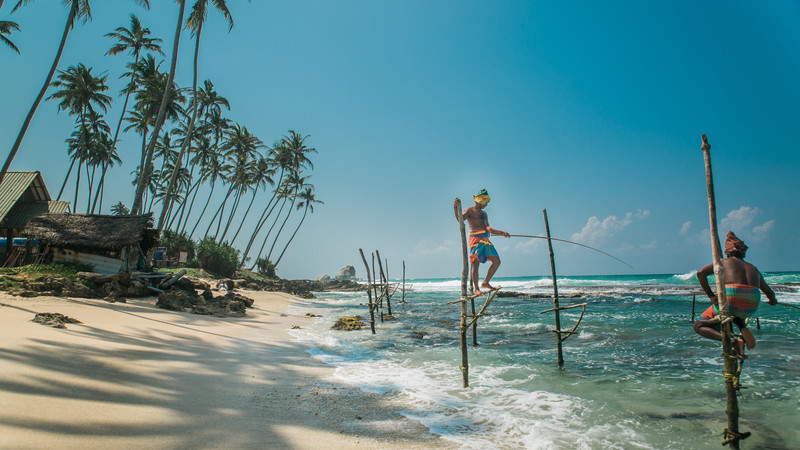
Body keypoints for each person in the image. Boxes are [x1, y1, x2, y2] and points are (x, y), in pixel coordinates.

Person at [694, 231, 777, 355]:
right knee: (736, 309)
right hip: (750, 307)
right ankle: (741, 325)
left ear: (727, 253)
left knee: (699, 326)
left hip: (732, 302)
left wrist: (711, 296)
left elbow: (700, 273)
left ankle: (731, 341)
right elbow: (769, 293)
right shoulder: (754, 268)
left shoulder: (723, 262)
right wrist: (772, 301)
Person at [454, 189, 510, 295]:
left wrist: (502, 232)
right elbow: (460, 219)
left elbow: (489, 228)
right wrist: (455, 207)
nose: (487, 204)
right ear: (479, 200)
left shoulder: (484, 213)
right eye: (486, 202)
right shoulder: (469, 210)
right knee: (475, 264)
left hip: (485, 240)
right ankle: (476, 289)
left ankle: (485, 282)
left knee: (497, 261)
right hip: (475, 240)